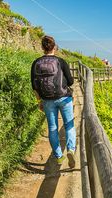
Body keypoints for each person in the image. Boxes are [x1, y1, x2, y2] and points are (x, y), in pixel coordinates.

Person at [31, 35, 76, 168]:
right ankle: (71, 149)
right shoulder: (60, 61)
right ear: (54, 47)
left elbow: (34, 86)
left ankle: (58, 156)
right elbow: (71, 81)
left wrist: (39, 101)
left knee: (52, 128)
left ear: (42, 48)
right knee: (69, 125)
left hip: (47, 100)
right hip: (64, 97)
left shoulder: (36, 63)